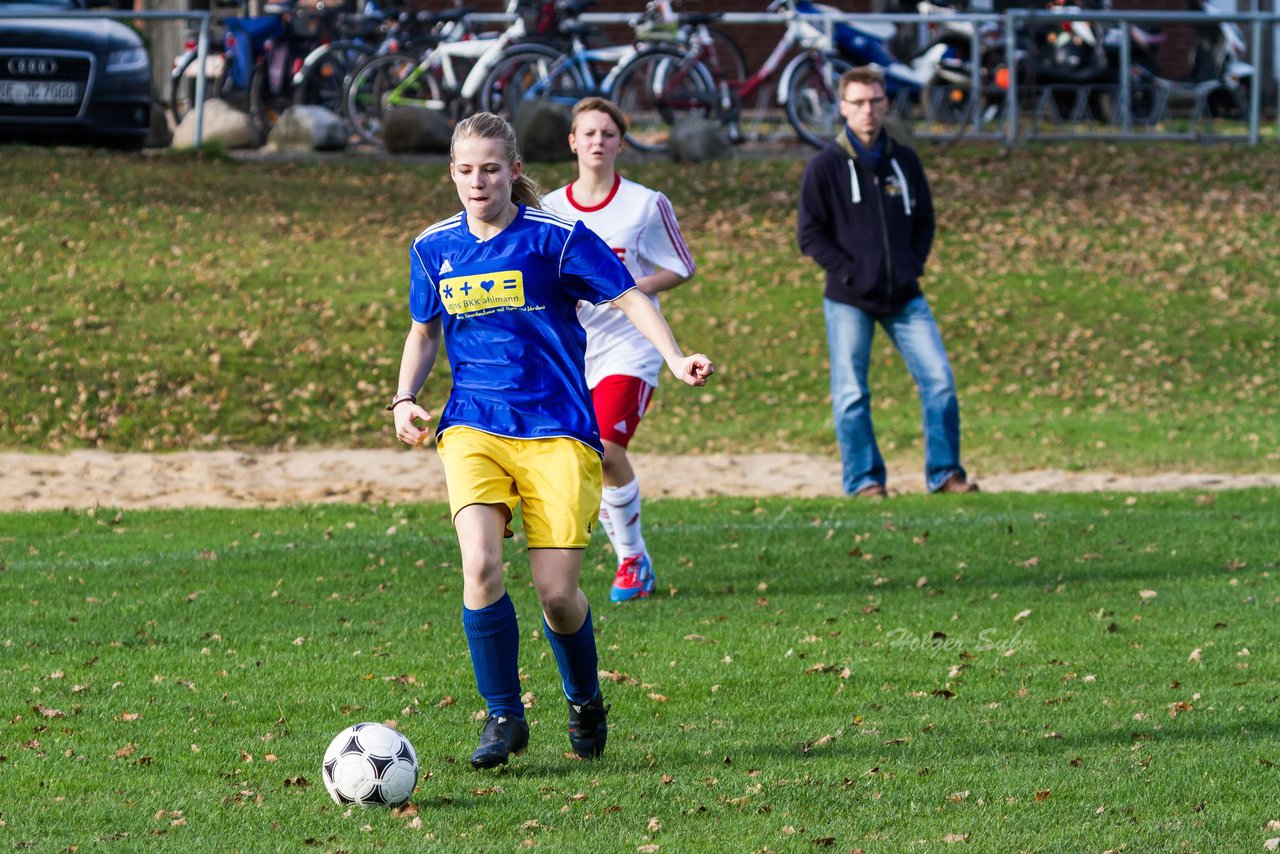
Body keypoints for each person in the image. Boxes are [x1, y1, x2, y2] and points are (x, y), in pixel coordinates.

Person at [389, 112, 714, 770]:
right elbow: (424, 330)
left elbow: (628, 297)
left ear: (513, 171)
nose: (477, 181)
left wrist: (675, 359)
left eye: (489, 169)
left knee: (558, 598)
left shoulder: (557, 239)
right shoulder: (433, 248)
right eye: (464, 170)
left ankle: (585, 698)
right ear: (451, 174)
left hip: (559, 429)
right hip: (473, 426)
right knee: (479, 567)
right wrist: (404, 398)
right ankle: (503, 715)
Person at [796, 65, 977, 499]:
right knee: (852, 393)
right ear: (842, 107)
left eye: (875, 101)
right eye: (858, 102)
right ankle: (864, 481)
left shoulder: (905, 161)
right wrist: (852, 271)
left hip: (905, 295)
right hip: (849, 298)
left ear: (886, 103)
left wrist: (912, 264)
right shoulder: (825, 166)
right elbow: (810, 234)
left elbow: (926, 220)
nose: (868, 110)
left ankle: (945, 473)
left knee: (939, 380)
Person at [542, 97, 696, 603]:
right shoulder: (549, 209)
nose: (597, 142)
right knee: (581, 458)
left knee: (607, 449)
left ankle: (631, 560)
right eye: (588, 133)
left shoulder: (645, 203)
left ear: (620, 143)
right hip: (572, 348)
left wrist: (630, 287)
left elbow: (682, 266)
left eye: (608, 134)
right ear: (572, 141)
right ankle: (631, 556)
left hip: (632, 343)